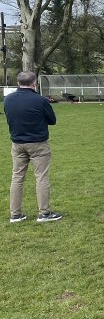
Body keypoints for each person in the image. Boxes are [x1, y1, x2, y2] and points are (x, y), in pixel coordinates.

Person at [4, 71, 62, 223]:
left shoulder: (8, 99)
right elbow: (52, 120)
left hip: (17, 143)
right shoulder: (40, 100)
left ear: (18, 83)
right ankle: (44, 213)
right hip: (38, 143)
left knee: (17, 178)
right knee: (41, 177)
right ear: (34, 83)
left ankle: (15, 214)